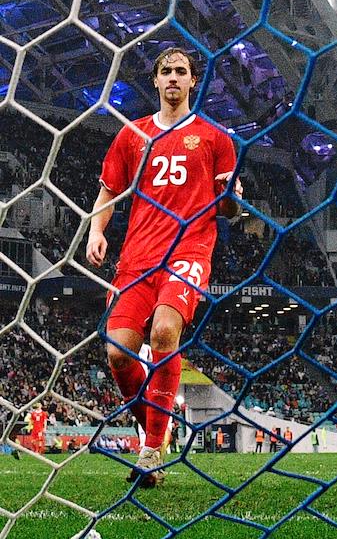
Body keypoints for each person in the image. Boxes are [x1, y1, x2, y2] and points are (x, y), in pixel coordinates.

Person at [87, 47, 241, 486]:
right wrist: (96, 231)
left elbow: (229, 211)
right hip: (137, 258)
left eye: (181, 71)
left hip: (188, 251)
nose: (173, 77)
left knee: (163, 332)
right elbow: (108, 193)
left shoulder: (215, 137)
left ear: (193, 81)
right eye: (166, 71)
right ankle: (158, 423)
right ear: (155, 81)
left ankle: (151, 451)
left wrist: (231, 198)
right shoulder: (132, 134)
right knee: (118, 353)